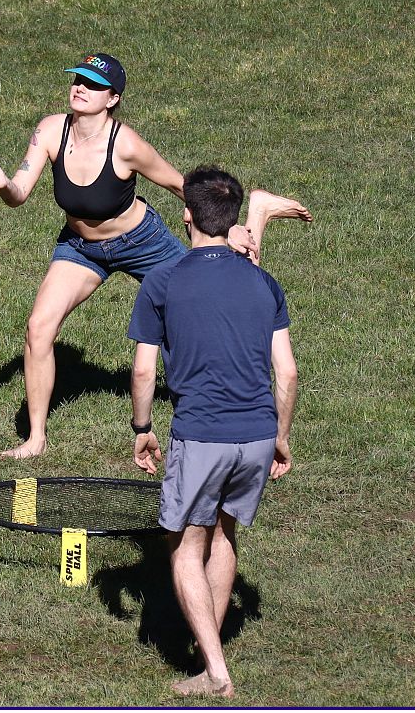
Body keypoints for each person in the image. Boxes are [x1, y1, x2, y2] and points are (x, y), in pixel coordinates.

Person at [0, 52, 310, 458]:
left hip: (142, 242)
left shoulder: (126, 144)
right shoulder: (51, 131)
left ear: (112, 98)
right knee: (38, 328)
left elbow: (181, 185)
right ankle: (36, 438)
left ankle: (259, 211)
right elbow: (19, 194)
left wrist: (226, 225)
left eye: (93, 84)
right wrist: (4, 182)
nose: (80, 88)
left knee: (222, 290)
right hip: (81, 247)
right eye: (77, 80)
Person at [127, 165, 298, 698]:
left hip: (202, 433)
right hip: (258, 434)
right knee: (224, 534)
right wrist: (281, 437)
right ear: (231, 219)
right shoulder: (264, 283)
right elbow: (288, 373)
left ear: (187, 215)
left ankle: (217, 672)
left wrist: (142, 427)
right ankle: (209, 655)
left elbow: (143, 372)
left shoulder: (163, 281)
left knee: (184, 545)